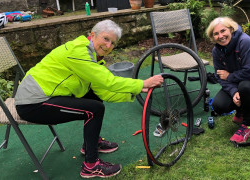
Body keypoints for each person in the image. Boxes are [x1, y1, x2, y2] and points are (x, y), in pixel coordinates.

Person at [15, 19, 163, 178]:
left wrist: (136, 91)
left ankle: (90, 145)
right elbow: (108, 81)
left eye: (113, 43)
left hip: (47, 96)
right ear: (93, 35)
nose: (108, 46)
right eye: (106, 39)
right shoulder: (78, 51)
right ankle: (91, 165)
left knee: (95, 99)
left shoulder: (92, 56)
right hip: (33, 103)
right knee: (95, 109)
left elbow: (104, 91)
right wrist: (141, 83)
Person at [205, 17, 250, 143]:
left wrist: (230, 76)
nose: (220, 36)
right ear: (212, 37)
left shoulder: (245, 42)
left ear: (231, 29)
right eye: (216, 34)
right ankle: (241, 112)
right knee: (218, 105)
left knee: (245, 86)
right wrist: (234, 91)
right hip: (238, 86)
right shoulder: (216, 51)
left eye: (223, 31)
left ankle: (247, 126)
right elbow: (220, 76)